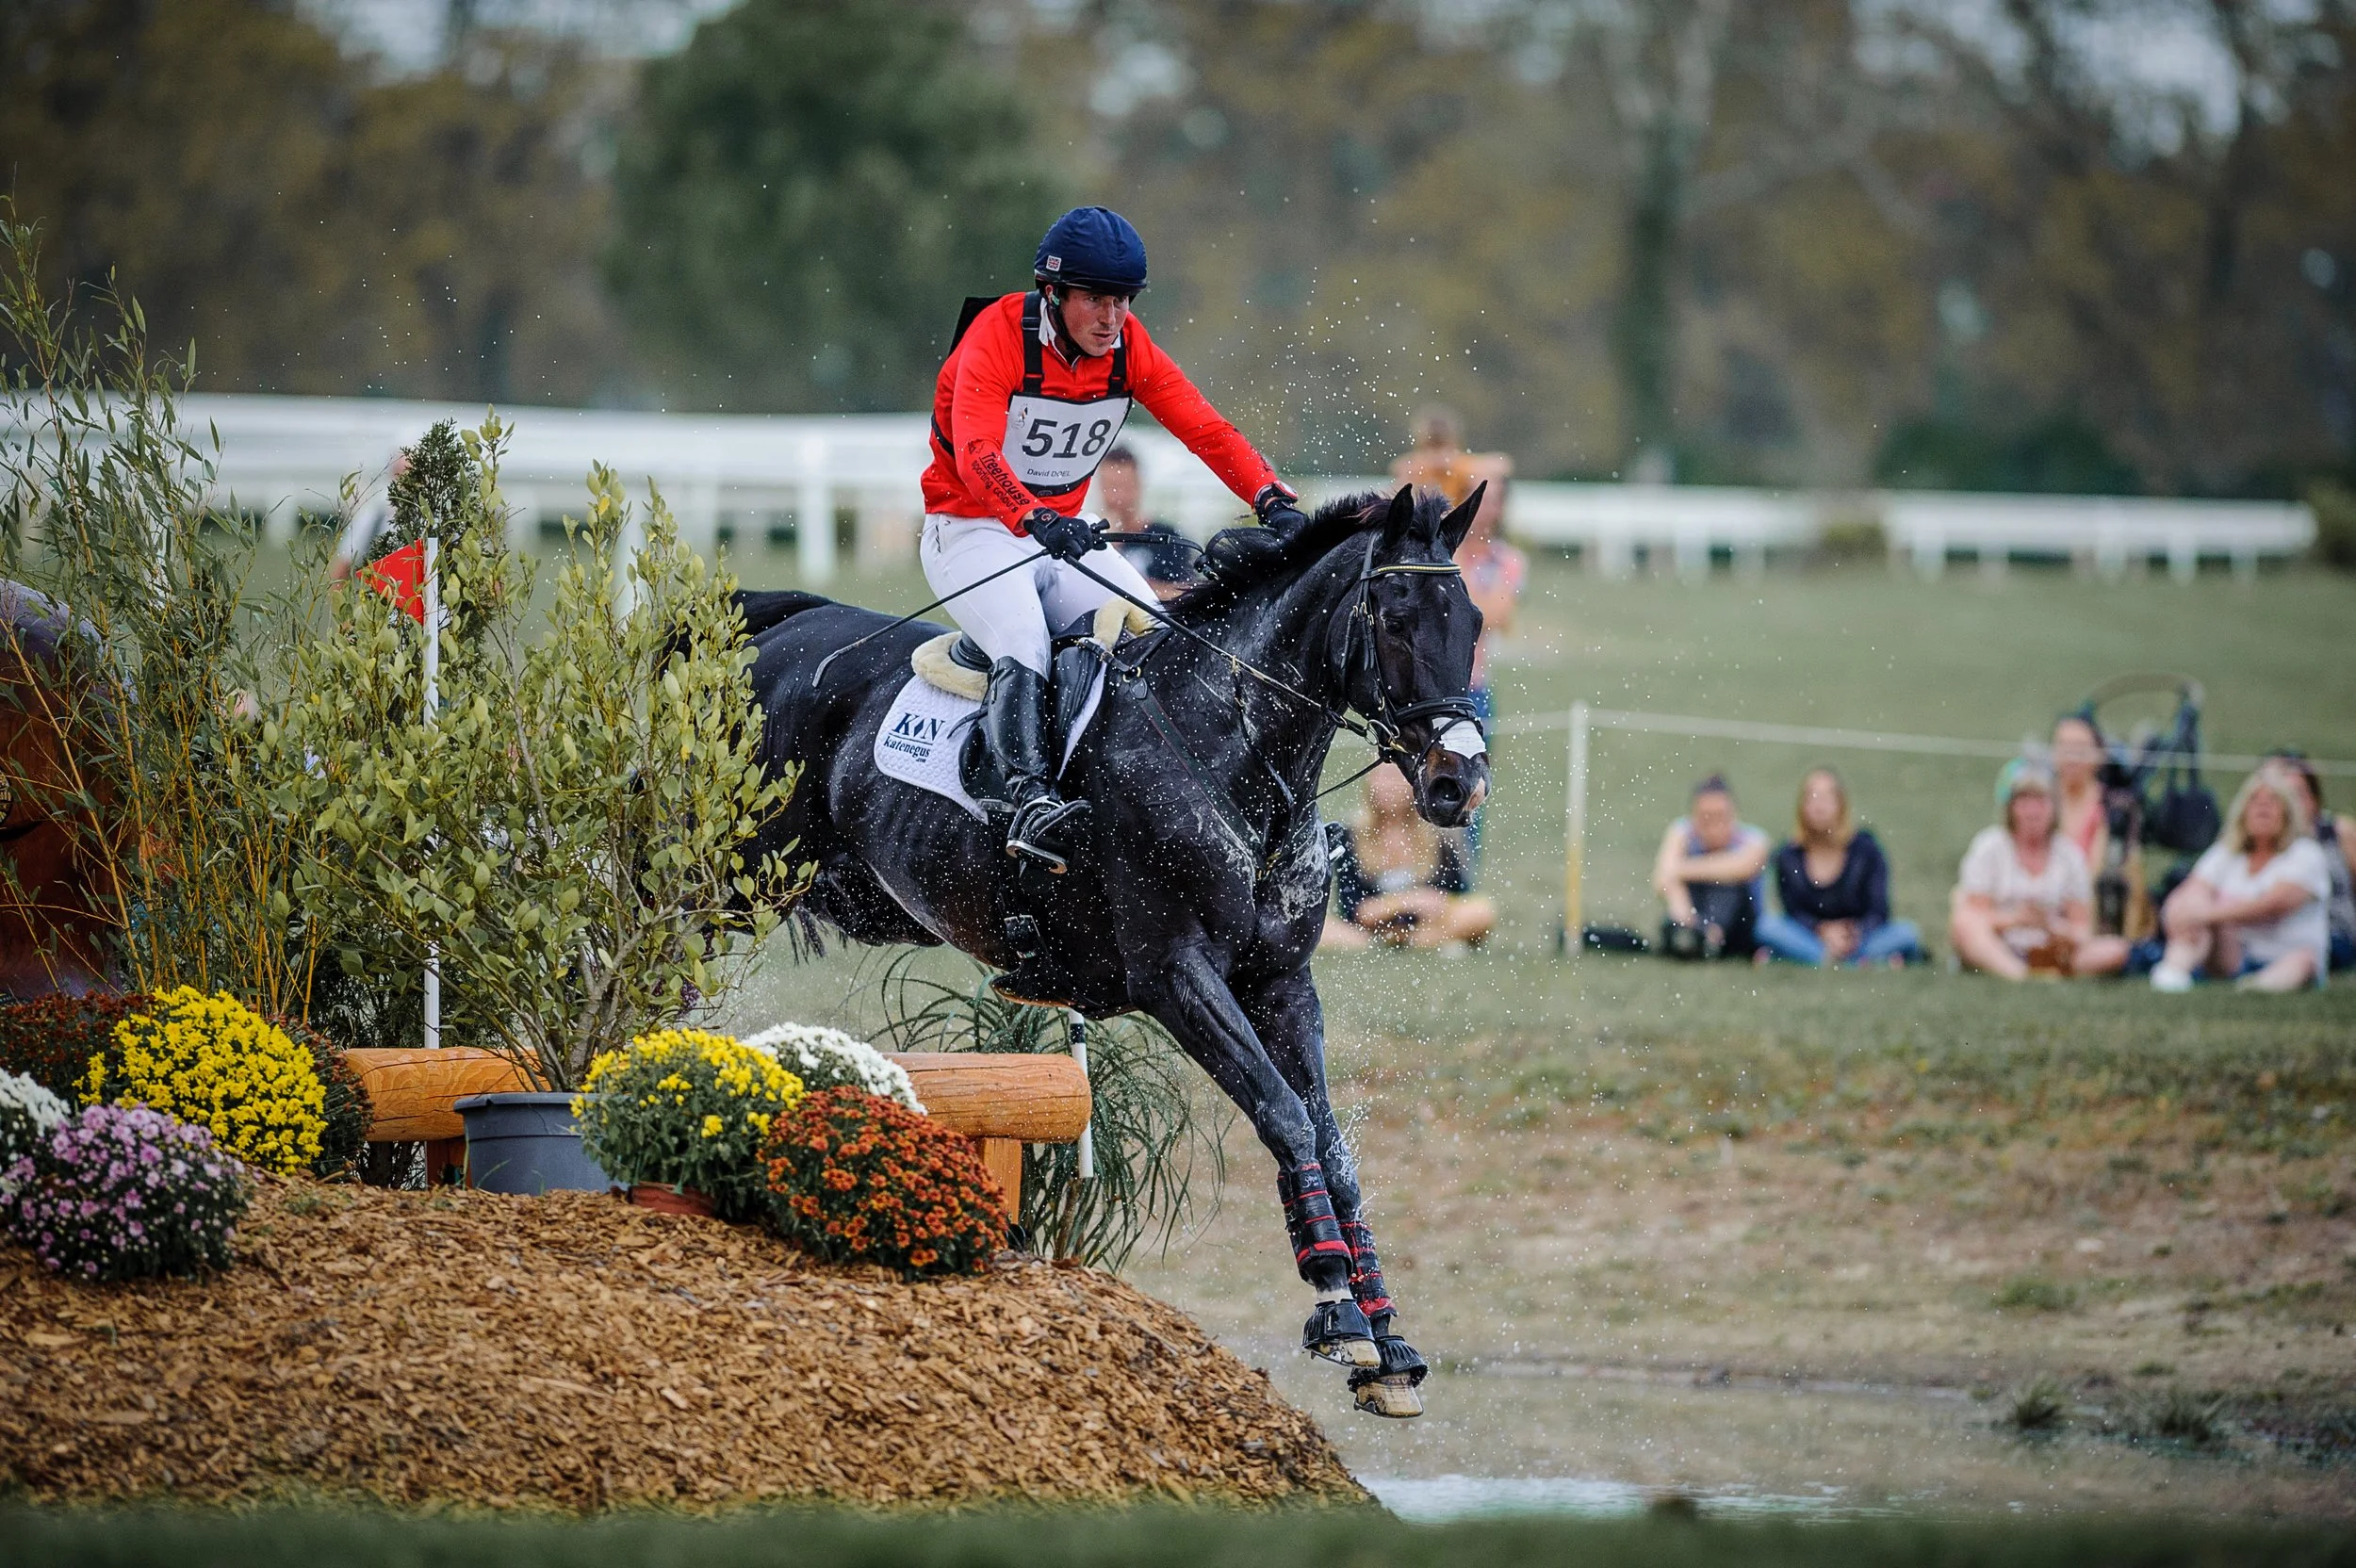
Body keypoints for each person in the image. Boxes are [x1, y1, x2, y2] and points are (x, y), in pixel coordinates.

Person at [919, 206, 1307, 872]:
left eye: (1123, 300)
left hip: (1058, 538)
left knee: (1156, 633)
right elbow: (979, 453)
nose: (1112, 316)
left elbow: (1206, 431)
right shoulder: (996, 337)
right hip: (971, 530)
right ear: (1054, 294)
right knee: (1023, 638)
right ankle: (1030, 803)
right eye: (1096, 298)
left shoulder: (1130, 349)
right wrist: (1034, 516)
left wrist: (1271, 497)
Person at [2149, 768, 2331, 991]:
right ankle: (2173, 970)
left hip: (2288, 958)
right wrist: (2182, 910)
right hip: (2235, 955)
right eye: (2255, 800)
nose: (2263, 806)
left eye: (2273, 801)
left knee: (2303, 960)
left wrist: (2205, 914)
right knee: (2195, 902)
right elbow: (2194, 888)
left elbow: (2274, 904)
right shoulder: (2227, 853)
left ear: (2288, 812)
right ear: (2243, 811)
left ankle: (2259, 987)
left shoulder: (2306, 853)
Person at [1949, 760, 2131, 980]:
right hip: (2000, 944)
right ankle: (2020, 974)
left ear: (2054, 808)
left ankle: (2045, 970)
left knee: (2115, 950)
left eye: (2040, 802)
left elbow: (2081, 927)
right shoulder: (1990, 847)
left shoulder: (2069, 855)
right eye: (2024, 802)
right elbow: (1974, 915)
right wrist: (2017, 919)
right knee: (1964, 926)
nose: (2033, 812)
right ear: (2011, 808)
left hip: (2053, 947)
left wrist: (2050, 927)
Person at [1755, 767, 1924, 968]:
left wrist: (1852, 932)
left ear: (1841, 804)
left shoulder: (1866, 850)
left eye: (1827, 798)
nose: (1819, 806)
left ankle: (1816, 959)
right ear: (1802, 806)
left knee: (1906, 932)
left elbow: (1879, 910)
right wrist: (1822, 930)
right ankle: (1857, 963)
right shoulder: (1789, 855)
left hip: (1861, 940)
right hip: (1811, 939)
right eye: (1812, 798)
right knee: (1767, 927)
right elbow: (1793, 912)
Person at [1319, 763, 1496, 952]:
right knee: (1319, 930)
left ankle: (1405, 942)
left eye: (1396, 778)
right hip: (1368, 929)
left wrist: (1427, 906)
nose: (1387, 786)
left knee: (1480, 912)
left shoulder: (1438, 834)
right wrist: (1407, 901)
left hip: (1430, 924)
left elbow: (1456, 895)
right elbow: (1356, 910)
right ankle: (1407, 943)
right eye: (1381, 778)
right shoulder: (1351, 836)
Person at [1652, 775, 1771, 959]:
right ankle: (1693, 935)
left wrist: (1679, 870)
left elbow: (1743, 867)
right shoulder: (1682, 831)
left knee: (1727, 883)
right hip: (1695, 914)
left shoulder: (1754, 839)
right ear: (1694, 816)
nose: (1714, 826)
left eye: (1720, 817)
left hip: (1742, 928)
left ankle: (1709, 936)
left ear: (1734, 814)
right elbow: (1661, 880)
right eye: (1706, 818)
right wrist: (1683, 912)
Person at [2265, 749, 2356, 972]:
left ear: (2314, 799)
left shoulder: (2339, 832)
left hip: (2333, 935)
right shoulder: (2263, 839)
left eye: (2297, 794)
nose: (2290, 804)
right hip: (2274, 935)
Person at [1098, 447, 1199, 600]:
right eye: (1109, 487)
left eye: (1123, 487)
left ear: (1138, 485)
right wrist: (1109, 545)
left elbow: (1186, 594)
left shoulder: (1167, 538)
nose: (1115, 497)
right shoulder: (1093, 541)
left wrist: (1140, 588)